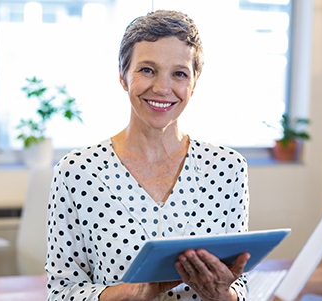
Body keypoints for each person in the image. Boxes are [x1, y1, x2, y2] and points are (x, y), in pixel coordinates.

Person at [46, 9, 250, 301]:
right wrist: (134, 293)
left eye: (179, 73)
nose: (162, 88)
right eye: (147, 70)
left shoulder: (228, 169)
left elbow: (240, 287)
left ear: (194, 83)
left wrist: (222, 295)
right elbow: (61, 293)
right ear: (123, 75)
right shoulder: (76, 172)